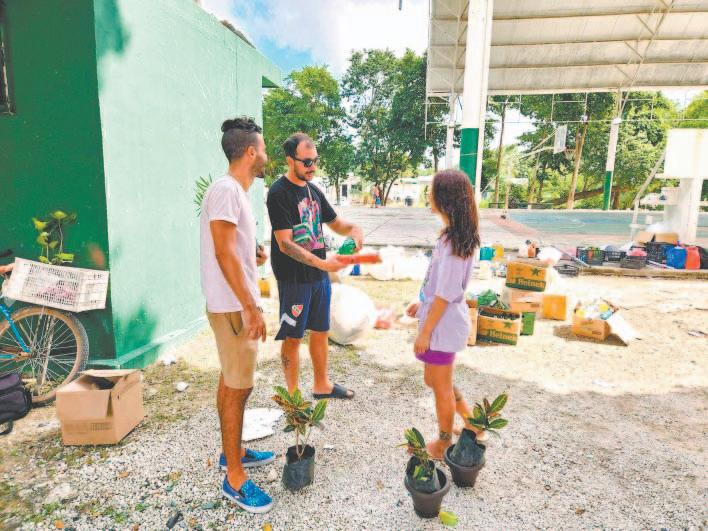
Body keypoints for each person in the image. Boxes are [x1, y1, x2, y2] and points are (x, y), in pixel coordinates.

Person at [200, 117, 274, 513]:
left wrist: (253, 254)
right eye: (263, 149)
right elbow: (222, 250)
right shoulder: (227, 190)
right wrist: (250, 306)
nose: (266, 155)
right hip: (234, 307)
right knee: (239, 388)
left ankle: (233, 453)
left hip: (231, 303)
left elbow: (233, 248)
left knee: (232, 382)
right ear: (250, 152)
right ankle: (235, 478)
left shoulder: (234, 192)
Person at [267, 132, 363, 400]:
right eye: (307, 162)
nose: (313, 167)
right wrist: (323, 263)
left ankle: (322, 385)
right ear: (290, 160)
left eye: (315, 161)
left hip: (319, 276)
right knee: (293, 337)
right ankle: (293, 397)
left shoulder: (313, 190)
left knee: (321, 331)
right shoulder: (278, 193)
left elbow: (336, 223)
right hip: (294, 279)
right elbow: (285, 244)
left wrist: (355, 230)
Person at [405, 169, 484, 460]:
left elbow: (446, 292)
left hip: (442, 326)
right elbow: (438, 284)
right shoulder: (451, 237)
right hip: (439, 319)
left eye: (432, 192)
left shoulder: (453, 243)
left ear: (444, 199)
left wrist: (425, 332)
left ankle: (442, 443)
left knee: (440, 387)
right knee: (436, 381)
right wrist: (421, 302)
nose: (428, 196)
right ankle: (472, 422)